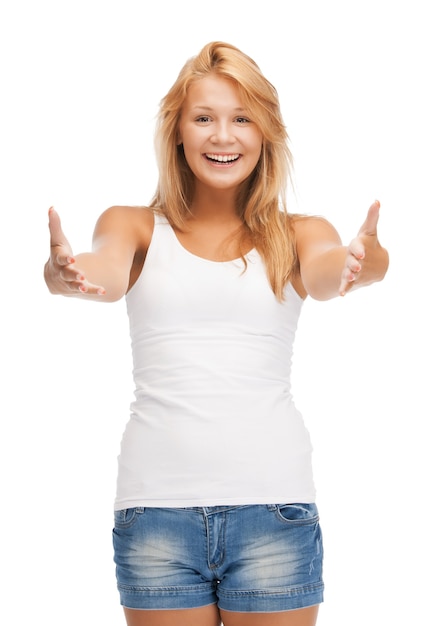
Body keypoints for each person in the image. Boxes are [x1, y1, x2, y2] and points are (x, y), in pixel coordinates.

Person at [44, 41, 389, 626]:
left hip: (273, 511)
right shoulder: (131, 225)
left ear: (266, 133)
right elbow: (98, 269)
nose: (222, 136)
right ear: (177, 131)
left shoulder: (299, 232)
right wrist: (66, 275)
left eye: (241, 118)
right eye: (203, 118)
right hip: (155, 515)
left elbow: (335, 271)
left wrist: (364, 258)